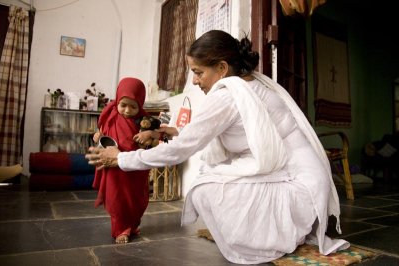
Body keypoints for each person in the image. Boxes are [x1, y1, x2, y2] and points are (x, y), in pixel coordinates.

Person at [86, 30, 349, 264]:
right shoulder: (248, 82)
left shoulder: (227, 95)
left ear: (222, 68)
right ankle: (275, 230)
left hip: (300, 186)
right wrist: (178, 131)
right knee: (215, 173)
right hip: (304, 178)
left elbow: (180, 151)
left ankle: (270, 240)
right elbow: (230, 129)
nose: (196, 81)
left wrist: (121, 159)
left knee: (205, 188)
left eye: (199, 73)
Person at [91, 77, 151, 244]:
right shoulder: (110, 117)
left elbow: (152, 142)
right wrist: (98, 136)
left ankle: (131, 225)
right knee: (117, 199)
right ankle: (120, 229)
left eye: (133, 106)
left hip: (135, 168)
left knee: (137, 199)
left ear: (140, 104)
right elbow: (102, 134)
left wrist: (148, 139)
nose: (126, 110)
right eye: (123, 105)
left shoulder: (144, 121)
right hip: (114, 168)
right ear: (117, 100)